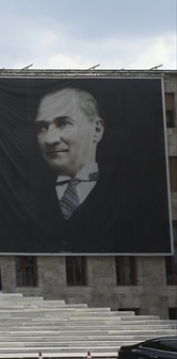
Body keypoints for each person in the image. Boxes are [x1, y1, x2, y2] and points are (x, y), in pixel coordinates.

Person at [27, 86, 166, 253]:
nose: (50, 139)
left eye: (63, 124)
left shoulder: (134, 194)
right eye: (43, 127)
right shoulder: (27, 198)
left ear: (97, 129)